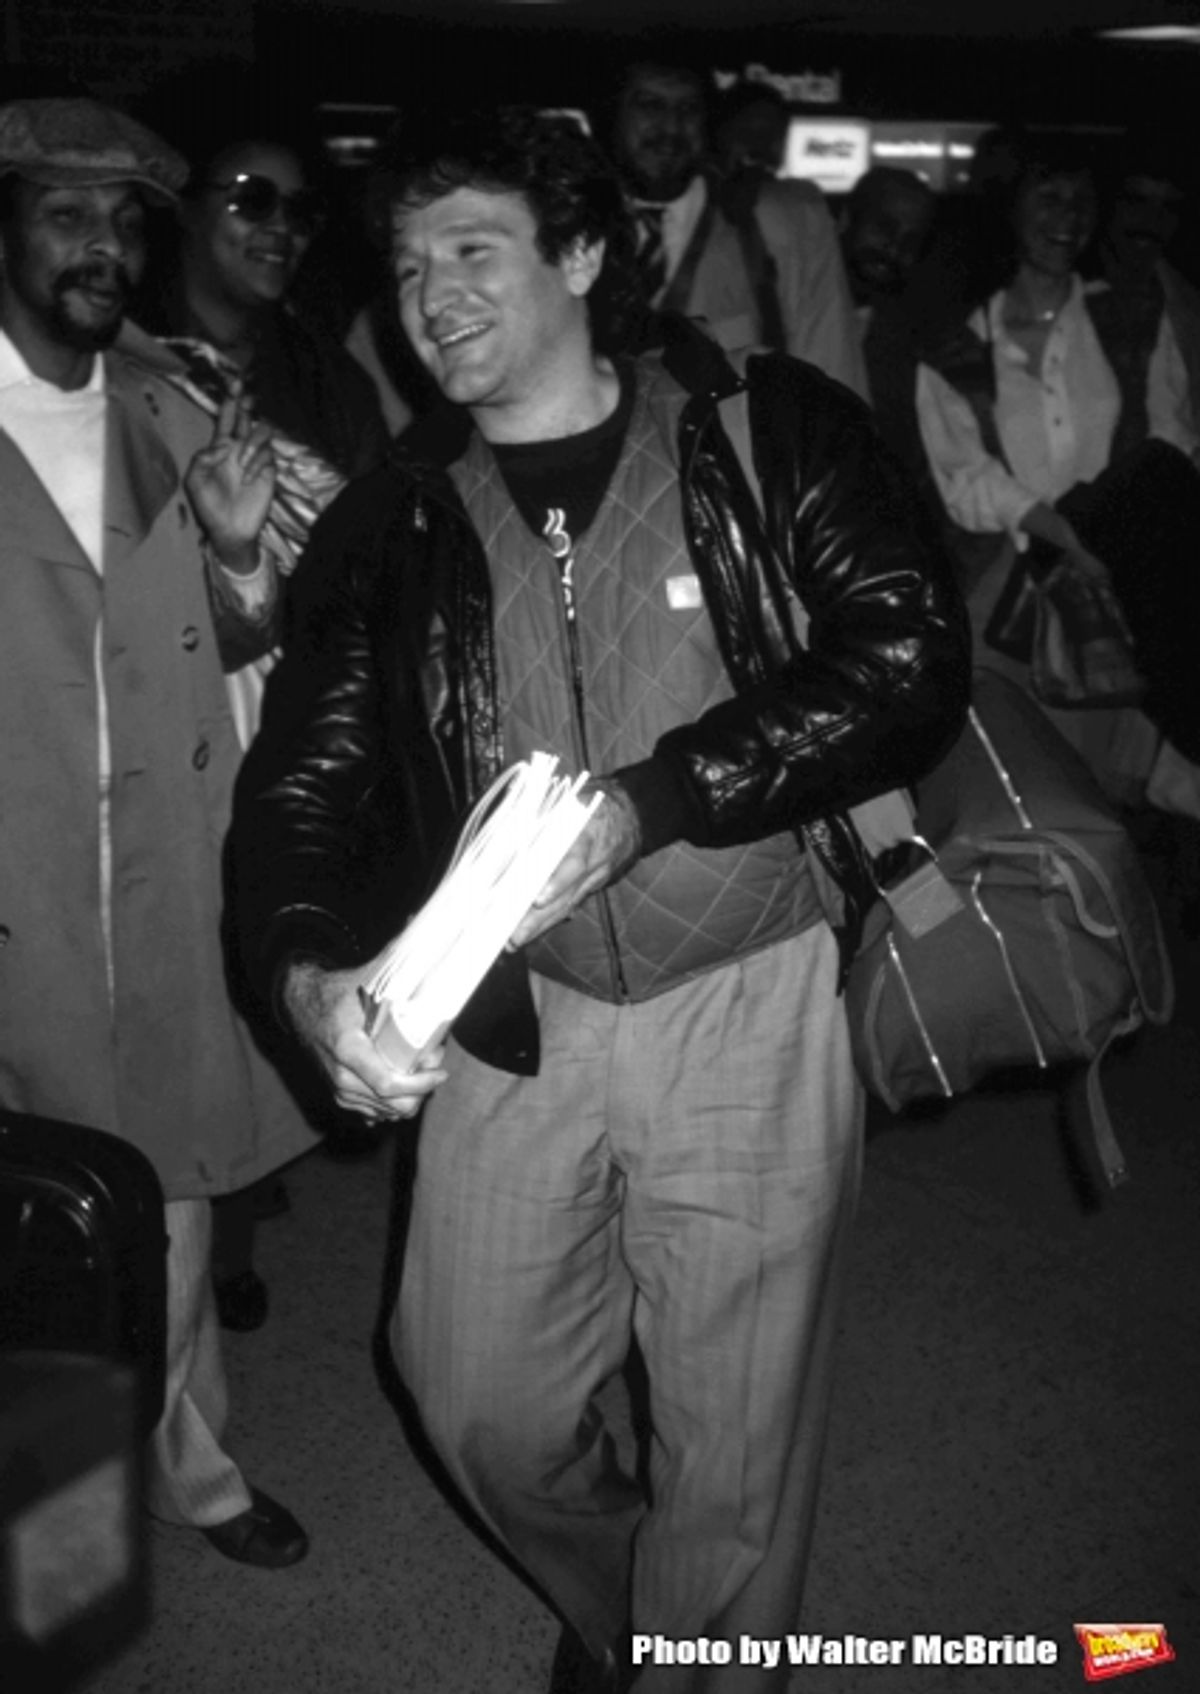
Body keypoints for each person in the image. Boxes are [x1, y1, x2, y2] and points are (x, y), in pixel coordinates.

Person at [233, 106, 967, 1692]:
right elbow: (301, 785)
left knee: (739, 1429)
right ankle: (633, 1604)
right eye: (409, 263)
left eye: (474, 250)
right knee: (467, 1389)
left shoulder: (759, 421)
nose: (430, 292)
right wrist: (305, 981)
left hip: (751, 997)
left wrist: (656, 802)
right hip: (515, 1014)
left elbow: (907, 657)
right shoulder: (400, 513)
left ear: (580, 255)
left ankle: (700, 1652)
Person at [0, 95, 315, 1566]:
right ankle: (57, 1519)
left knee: (171, 1190)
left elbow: (233, 634)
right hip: (20, 877)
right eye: (67, 214)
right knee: (38, 1212)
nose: (103, 247)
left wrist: (245, 554)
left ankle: (192, 1466)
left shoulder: (170, 403)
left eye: (126, 220)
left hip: (162, 865)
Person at [916, 136, 1200, 798]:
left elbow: (1173, 438)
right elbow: (964, 474)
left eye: (1080, 200)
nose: (1066, 216)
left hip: (1124, 589)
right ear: (1008, 210)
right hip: (1010, 596)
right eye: (1047, 197)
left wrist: (1117, 542)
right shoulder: (954, 338)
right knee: (1014, 786)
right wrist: (1062, 533)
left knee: (1114, 793)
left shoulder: (1134, 316)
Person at [608, 62, 866, 394]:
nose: (671, 127)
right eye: (650, 105)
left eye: (688, 109)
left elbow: (834, 372)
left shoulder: (782, 221)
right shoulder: (568, 221)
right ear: (614, 117)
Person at [837, 165, 936, 486]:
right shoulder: (781, 304)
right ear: (845, 219)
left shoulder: (913, 343)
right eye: (884, 227)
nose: (894, 248)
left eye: (911, 241)